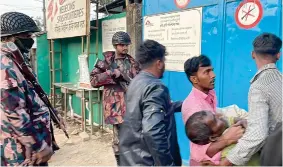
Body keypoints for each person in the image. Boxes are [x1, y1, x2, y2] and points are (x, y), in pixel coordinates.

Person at [1, 12, 65, 166]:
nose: (31, 40)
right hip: (22, 152)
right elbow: (14, 111)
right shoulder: (4, 65)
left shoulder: (17, 60)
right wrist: (39, 145)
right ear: (12, 38)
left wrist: (52, 113)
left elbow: (33, 95)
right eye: (27, 36)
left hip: (30, 148)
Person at [220, 33, 282, 165]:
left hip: (276, 154)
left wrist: (227, 162)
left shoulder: (259, 87)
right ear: (278, 55)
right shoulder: (280, 79)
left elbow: (257, 135)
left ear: (253, 54)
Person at [118, 40, 182, 166]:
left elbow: (144, 111)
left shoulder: (136, 81)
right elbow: (153, 130)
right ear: (159, 63)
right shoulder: (155, 87)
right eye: (164, 61)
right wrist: (167, 164)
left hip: (131, 158)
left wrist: (183, 104)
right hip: (147, 161)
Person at [182, 55, 244, 166]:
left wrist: (234, 119)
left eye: (212, 70)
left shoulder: (209, 93)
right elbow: (198, 151)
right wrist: (226, 139)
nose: (213, 75)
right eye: (207, 72)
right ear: (194, 79)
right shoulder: (195, 107)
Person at [89, 31, 140, 164]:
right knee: (118, 141)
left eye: (126, 45)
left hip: (131, 106)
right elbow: (93, 82)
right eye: (122, 45)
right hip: (114, 107)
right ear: (115, 45)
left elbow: (139, 81)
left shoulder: (132, 62)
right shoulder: (106, 61)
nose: (125, 47)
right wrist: (110, 74)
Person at [185, 110, 260, 166]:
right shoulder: (226, 153)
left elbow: (231, 119)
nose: (219, 116)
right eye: (215, 120)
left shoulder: (223, 126)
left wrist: (241, 120)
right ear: (213, 138)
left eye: (214, 115)